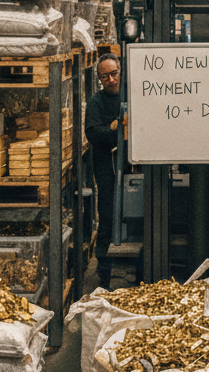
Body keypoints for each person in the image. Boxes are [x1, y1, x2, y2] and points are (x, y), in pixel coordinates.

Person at [85, 53, 124, 289]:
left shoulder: (133, 94)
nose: (110, 80)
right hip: (106, 166)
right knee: (108, 214)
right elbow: (92, 133)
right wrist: (113, 129)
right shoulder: (96, 103)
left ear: (121, 71)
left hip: (131, 165)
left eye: (114, 74)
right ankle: (105, 269)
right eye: (104, 76)